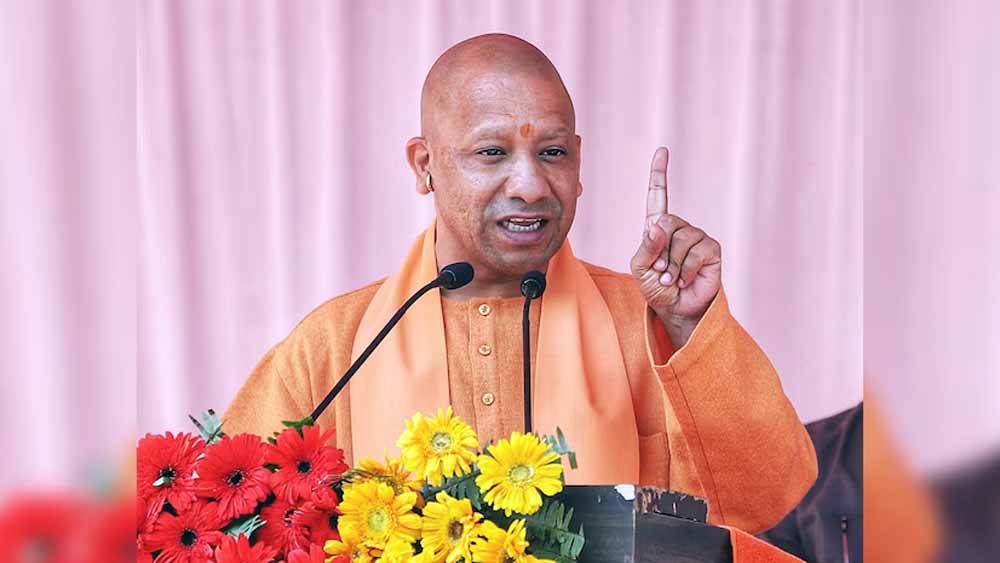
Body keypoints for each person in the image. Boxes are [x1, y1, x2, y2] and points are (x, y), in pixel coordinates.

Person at [224, 33, 816, 533]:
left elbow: (768, 497)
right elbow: (227, 523)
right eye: (492, 152)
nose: (530, 186)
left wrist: (688, 329)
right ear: (425, 166)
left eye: (552, 153)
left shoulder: (645, 322)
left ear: (579, 162)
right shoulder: (335, 345)